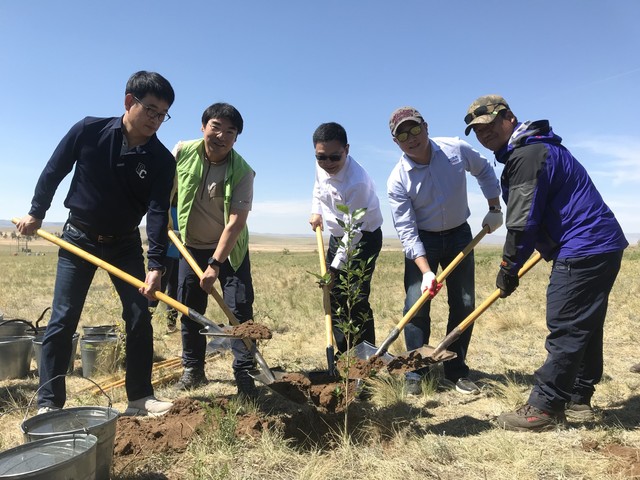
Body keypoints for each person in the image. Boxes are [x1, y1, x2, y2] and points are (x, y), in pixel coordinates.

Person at [16, 71, 176, 417]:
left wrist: (156, 265)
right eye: (150, 109)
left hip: (125, 245)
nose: (156, 120)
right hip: (79, 238)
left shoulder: (162, 160)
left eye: (162, 114)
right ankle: (48, 404)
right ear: (128, 102)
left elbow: (158, 212)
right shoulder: (88, 130)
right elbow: (54, 170)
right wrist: (36, 213)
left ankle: (139, 397)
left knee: (138, 316)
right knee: (63, 318)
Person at [464, 94, 628, 431]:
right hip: (599, 245)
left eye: (490, 124)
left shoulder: (528, 154)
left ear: (508, 117)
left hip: (584, 247)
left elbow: (522, 222)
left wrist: (509, 268)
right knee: (585, 324)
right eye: (477, 130)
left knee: (566, 325)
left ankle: (545, 408)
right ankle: (579, 398)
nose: (484, 133)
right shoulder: (536, 148)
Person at [387, 106, 503, 396]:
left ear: (425, 127)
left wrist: (494, 207)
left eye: (415, 129)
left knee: (464, 303)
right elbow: (407, 230)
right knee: (416, 305)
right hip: (423, 241)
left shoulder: (455, 149)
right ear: (396, 142)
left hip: (460, 235)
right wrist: (425, 272)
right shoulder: (398, 179)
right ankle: (416, 371)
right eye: (403, 134)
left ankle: (456, 370)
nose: (411, 138)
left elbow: (485, 170)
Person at [172, 102, 257, 397]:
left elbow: (235, 222)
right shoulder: (183, 153)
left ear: (236, 137)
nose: (220, 135)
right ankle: (193, 370)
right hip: (190, 247)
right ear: (203, 126)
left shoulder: (243, 171)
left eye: (230, 131)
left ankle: (244, 373)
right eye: (215, 127)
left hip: (229, 253)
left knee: (239, 310)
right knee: (190, 311)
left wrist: (215, 263)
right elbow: (167, 197)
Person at [309, 122, 384, 356]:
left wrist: (334, 267)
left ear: (347, 150)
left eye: (335, 157)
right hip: (337, 235)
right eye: (322, 157)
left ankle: (365, 358)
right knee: (334, 296)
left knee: (356, 298)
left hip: (363, 238)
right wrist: (316, 211)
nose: (328, 164)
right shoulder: (321, 164)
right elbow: (317, 188)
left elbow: (354, 231)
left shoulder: (356, 182)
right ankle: (344, 356)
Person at [149, 194, 180, 333]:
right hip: (165, 255)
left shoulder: (182, 210)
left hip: (179, 255)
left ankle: (171, 324)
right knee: (157, 290)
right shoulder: (167, 209)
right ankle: (145, 319)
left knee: (175, 291)